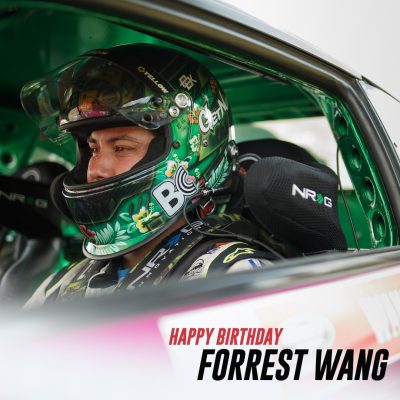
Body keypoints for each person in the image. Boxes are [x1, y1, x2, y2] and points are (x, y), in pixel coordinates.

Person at [21, 44, 277, 307]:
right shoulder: (60, 285)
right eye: (93, 149)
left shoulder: (231, 278)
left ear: (188, 152)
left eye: (122, 148)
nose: (96, 170)